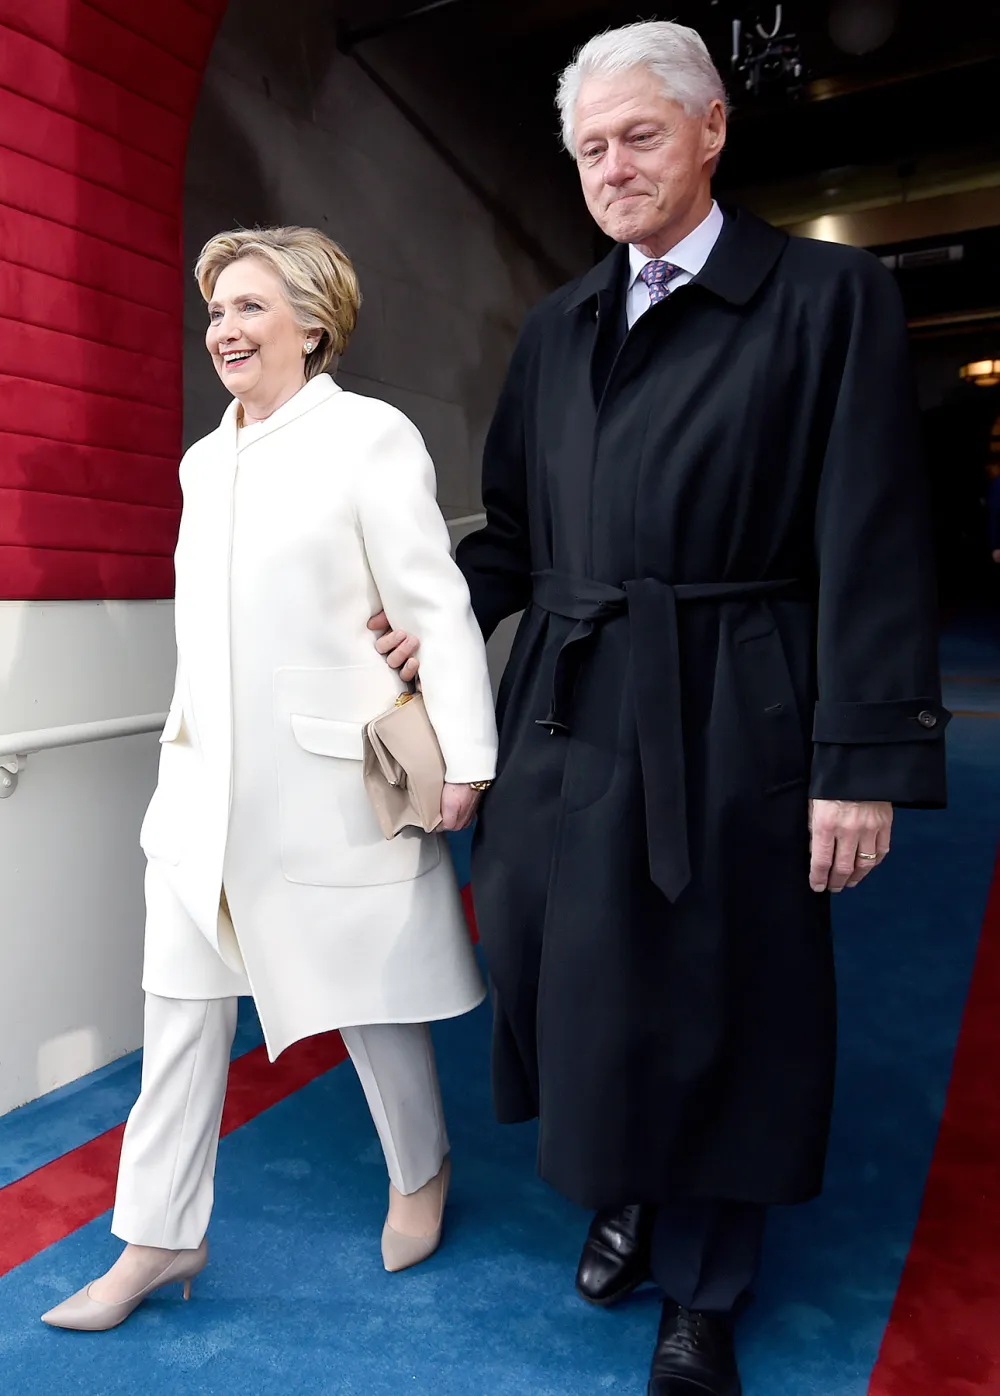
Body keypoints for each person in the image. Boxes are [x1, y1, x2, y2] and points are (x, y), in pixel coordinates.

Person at [372, 21, 948, 1396]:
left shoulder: (824, 297)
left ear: (709, 132)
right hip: (570, 706)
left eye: (639, 135)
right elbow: (512, 529)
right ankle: (625, 1186)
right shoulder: (558, 326)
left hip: (735, 701)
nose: (613, 168)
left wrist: (855, 761)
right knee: (573, 973)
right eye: (588, 150)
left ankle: (705, 1282)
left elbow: (873, 537)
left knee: (719, 995)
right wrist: (427, 618)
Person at [42, 226, 498, 1332]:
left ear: (311, 322)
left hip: (328, 789)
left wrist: (468, 757)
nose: (226, 331)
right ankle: (156, 1238)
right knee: (180, 1019)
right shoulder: (207, 459)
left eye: (250, 307)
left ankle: (421, 1170)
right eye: (216, 312)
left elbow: (434, 606)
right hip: (201, 795)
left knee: (373, 1011)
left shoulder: (368, 438)